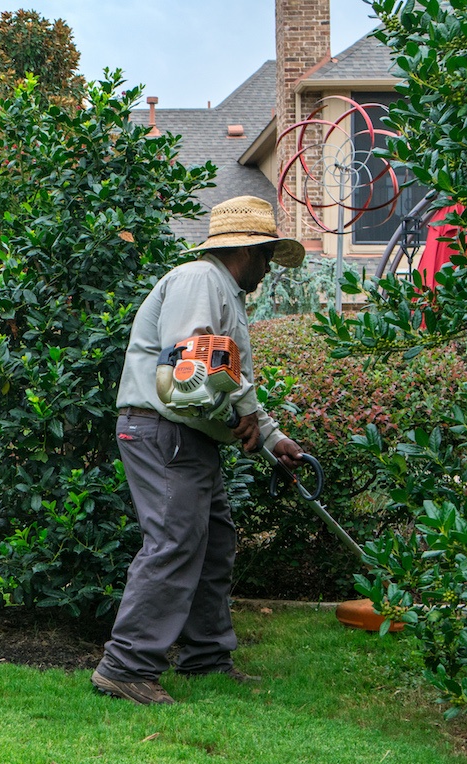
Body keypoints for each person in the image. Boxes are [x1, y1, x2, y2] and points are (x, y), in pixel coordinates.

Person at [92, 195, 310, 706]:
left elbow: (232, 384)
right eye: (267, 256)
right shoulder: (198, 281)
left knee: (212, 543)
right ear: (249, 251)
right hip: (164, 432)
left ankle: (206, 657)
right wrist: (237, 419)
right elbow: (189, 374)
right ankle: (125, 667)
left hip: (190, 435)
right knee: (173, 542)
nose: (268, 268)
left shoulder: (223, 292)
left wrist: (273, 438)